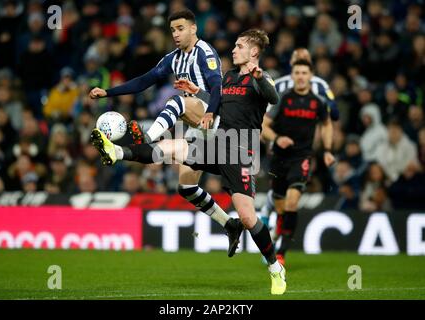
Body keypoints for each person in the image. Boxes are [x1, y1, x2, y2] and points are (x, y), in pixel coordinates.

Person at [90, 29, 286, 295]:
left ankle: (276, 269)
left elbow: (273, 97)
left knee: (248, 218)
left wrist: (261, 77)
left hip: (240, 150)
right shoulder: (228, 77)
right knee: (170, 148)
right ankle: (117, 152)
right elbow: (220, 104)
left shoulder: (261, 79)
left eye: (239, 46)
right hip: (217, 143)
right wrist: (197, 92)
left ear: (253, 52)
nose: (233, 50)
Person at [89, 9, 222, 145]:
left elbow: (217, 86)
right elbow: (143, 82)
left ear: (193, 28)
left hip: (212, 116)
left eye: (180, 29)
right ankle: (120, 152)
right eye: (173, 30)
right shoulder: (173, 58)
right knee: (181, 162)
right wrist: (107, 92)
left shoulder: (204, 52)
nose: (176, 34)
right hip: (194, 122)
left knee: (175, 101)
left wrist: (210, 112)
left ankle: (146, 139)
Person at [259, 48, 338, 256]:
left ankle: (281, 252)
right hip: (278, 158)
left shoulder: (318, 101)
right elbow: (264, 125)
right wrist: (277, 138)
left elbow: (328, 123)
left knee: (292, 201)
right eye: (297, 73)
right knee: (281, 204)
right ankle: (278, 223)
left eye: (305, 73)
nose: (301, 77)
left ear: (311, 75)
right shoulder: (282, 99)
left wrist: (328, 150)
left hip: (302, 157)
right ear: (292, 75)